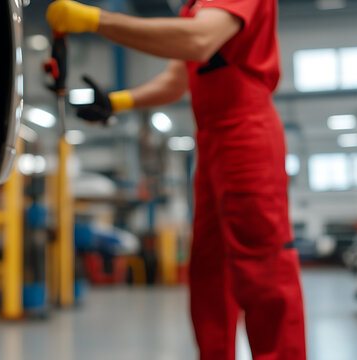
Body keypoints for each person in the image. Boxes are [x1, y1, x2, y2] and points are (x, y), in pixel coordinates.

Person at [46, 0, 307, 359]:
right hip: (212, 139)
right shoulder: (195, 7)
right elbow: (176, 80)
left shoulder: (211, 12)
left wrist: (96, 20)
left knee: (262, 265)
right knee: (208, 268)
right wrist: (118, 102)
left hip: (248, 132)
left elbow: (199, 40)